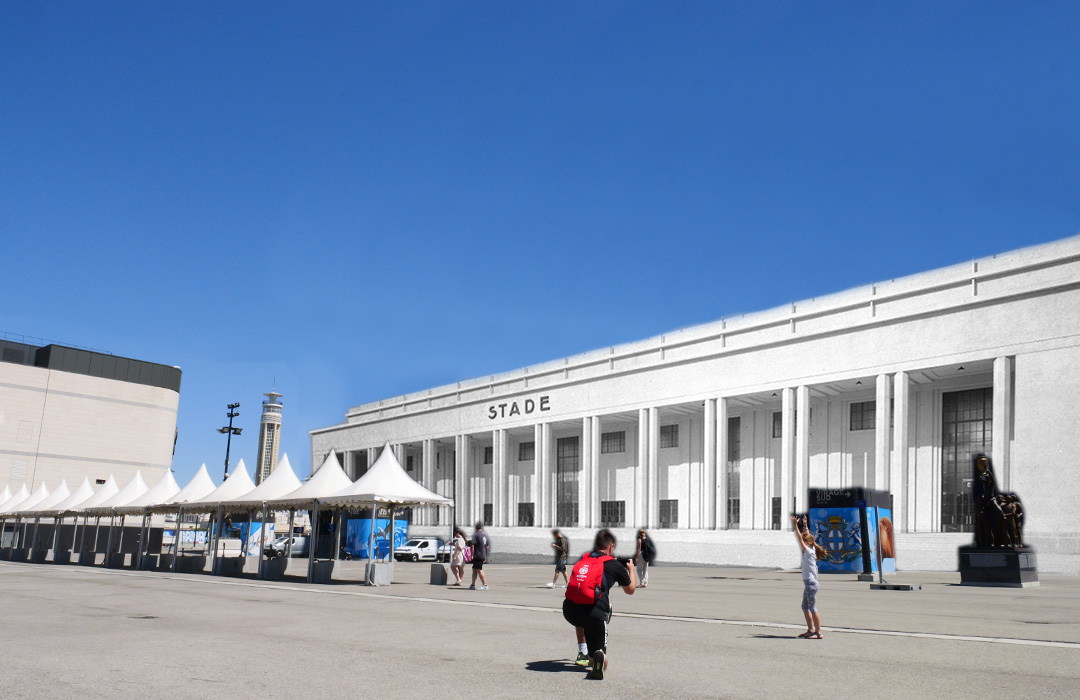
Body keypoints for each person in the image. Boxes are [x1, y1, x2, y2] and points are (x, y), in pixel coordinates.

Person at [562, 529, 637, 680]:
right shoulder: (615, 565)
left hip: (570, 610)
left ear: (596, 546)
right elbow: (630, 590)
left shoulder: (583, 560)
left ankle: (583, 652)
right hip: (594, 614)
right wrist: (631, 570)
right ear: (611, 547)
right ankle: (597, 659)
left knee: (582, 614)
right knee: (600, 656)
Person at [791, 514, 826, 639]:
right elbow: (806, 537)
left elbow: (800, 538)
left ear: (806, 543)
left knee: (812, 607)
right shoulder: (812, 549)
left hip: (811, 584)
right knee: (805, 606)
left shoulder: (809, 551)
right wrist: (805, 525)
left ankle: (818, 632)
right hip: (810, 584)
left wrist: (795, 525)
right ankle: (811, 630)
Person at [469, 522, 490, 590]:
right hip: (482, 555)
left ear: (476, 528)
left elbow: (472, 545)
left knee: (479, 569)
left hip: (477, 554)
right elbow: (487, 547)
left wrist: (471, 554)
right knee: (474, 569)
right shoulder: (485, 535)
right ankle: (473, 585)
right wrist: (485, 556)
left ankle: (485, 585)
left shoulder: (476, 535)